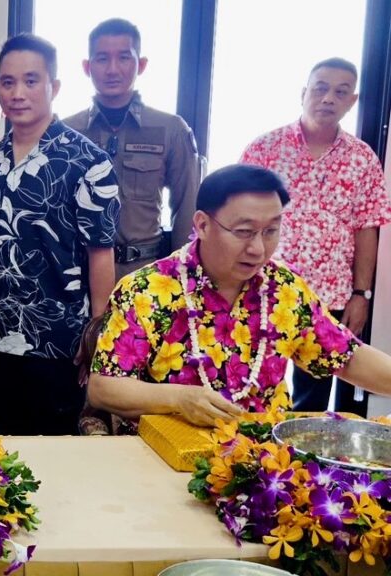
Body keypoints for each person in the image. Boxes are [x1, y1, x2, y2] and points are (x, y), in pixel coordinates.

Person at [89, 165, 391, 428]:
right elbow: (103, 388)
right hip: (167, 454)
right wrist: (179, 399)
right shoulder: (147, 290)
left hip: (265, 457)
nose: (258, 249)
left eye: (271, 231)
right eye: (244, 231)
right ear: (202, 225)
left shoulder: (284, 288)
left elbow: (346, 357)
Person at [0, 34, 120, 436]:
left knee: (54, 452)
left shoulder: (88, 161)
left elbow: (101, 253)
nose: (17, 93)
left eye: (31, 81)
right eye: (7, 82)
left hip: (59, 340)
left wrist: (96, 333)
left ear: (53, 86)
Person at [241, 57, 391, 415]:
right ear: (303, 92)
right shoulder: (265, 148)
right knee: (252, 383)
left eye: (340, 92)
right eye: (320, 88)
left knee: (313, 396)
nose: (328, 98)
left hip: (329, 296)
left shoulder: (362, 159)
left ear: (352, 101)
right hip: (264, 288)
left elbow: (367, 229)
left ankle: (299, 450)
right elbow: (236, 214)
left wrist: (361, 294)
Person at [63, 18, 201, 280]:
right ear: (87, 67)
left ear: (142, 64)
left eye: (124, 57)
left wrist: (181, 275)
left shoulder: (171, 129)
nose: (112, 69)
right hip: (79, 274)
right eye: (102, 59)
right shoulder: (67, 132)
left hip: (145, 274)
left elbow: (187, 209)